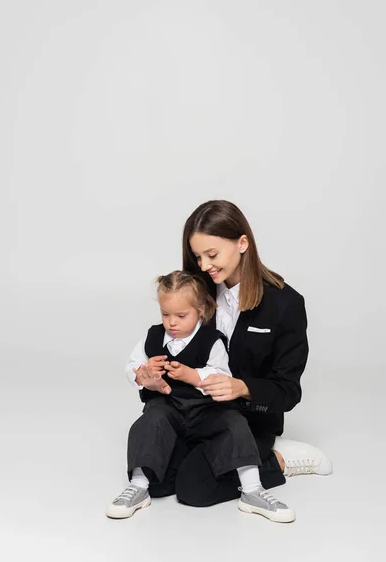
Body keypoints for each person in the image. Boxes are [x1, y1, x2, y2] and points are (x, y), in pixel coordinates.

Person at [131, 200, 332, 508]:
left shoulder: (285, 304)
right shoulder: (197, 292)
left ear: (242, 243)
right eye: (197, 256)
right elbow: (172, 343)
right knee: (154, 482)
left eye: (212, 255)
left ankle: (278, 460)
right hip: (192, 412)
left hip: (244, 420)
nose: (203, 266)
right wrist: (150, 375)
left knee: (193, 489)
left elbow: (288, 391)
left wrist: (243, 387)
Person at [106, 271, 295, 522]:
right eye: (165, 314)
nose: (172, 323)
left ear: (201, 310)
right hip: (170, 409)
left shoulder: (211, 340)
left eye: (181, 316)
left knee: (233, 422)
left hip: (207, 410)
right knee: (150, 421)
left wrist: (192, 376)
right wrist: (144, 376)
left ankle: (252, 489)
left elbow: (221, 374)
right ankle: (138, 487)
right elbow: (132, 366)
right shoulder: (151, 338)